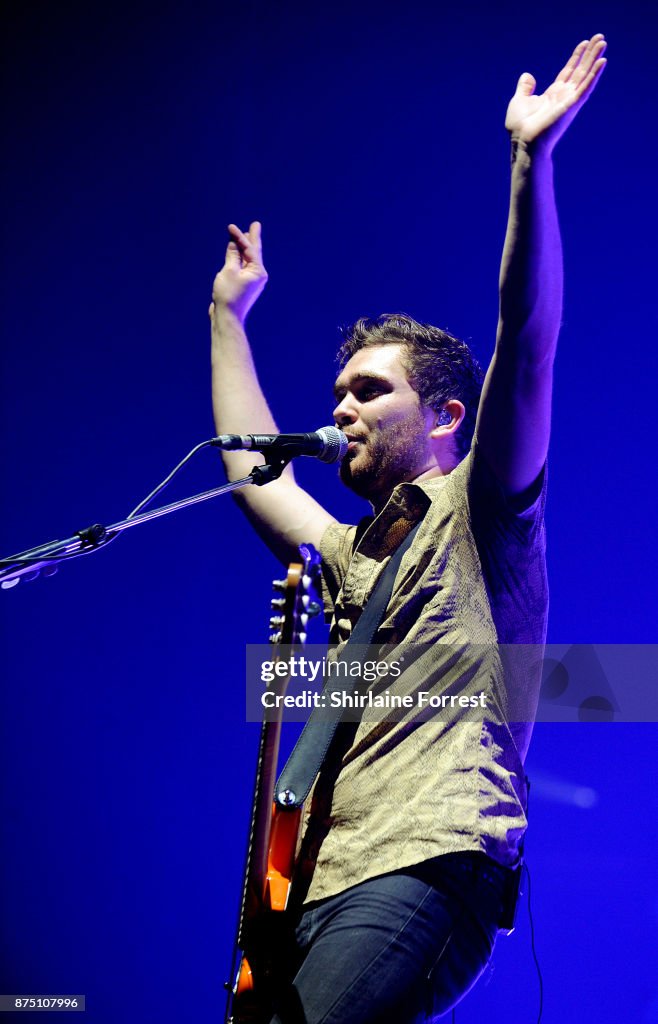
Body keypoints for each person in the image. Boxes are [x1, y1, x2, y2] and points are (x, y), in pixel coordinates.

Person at [210, 35, 607, 1024]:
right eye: (336, 390)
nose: (338, 408)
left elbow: (528, 335)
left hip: (427, 861)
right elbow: (240, 473)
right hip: (310, 885)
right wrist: (228, 316)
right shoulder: (352, 559)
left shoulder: (483, 509)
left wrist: (530, 165)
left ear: (443, 417)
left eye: (368, 391)